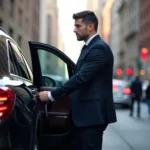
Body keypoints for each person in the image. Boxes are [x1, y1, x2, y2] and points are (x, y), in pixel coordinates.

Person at [36, 10, 117, 150]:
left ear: (90, 27)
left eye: (78, 26)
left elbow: (80, 78)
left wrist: (51, 95)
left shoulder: (99, 48)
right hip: (86, 116)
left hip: (92, 115)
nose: (74, 30)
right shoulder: (89, 47)